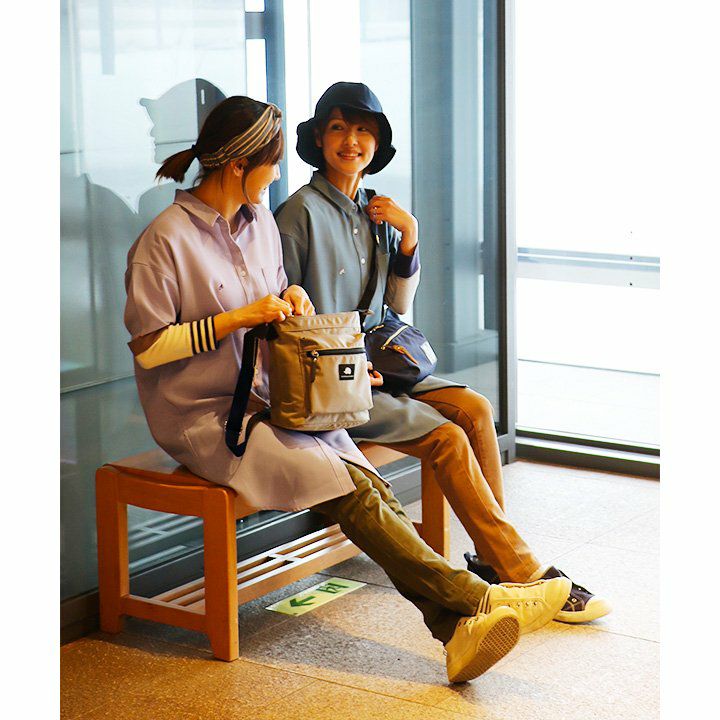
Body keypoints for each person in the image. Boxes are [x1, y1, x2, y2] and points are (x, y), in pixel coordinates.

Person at [123, 94, 573, 684]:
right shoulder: (165, 240)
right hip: (206, 419)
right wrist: (239, 318)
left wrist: (291, 298)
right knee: (352, 487)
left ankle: (459, 626)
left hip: (272, 399)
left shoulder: (259, 225)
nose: (277, 174)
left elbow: (286, 297)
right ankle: (481, 598)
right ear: (238, 165)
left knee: (367, 482)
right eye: (272, 163)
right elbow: (150, 348)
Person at [274, 81, 611, 624]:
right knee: (447, 437)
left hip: (379, 367)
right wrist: (351, 367)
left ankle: (495, 561)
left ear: (378, 142)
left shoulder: (374, 210)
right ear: (318, 138)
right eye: (338, 128)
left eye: (363, 130)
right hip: (330, 384)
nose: (351, 141)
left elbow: (397, 306)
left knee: (474, 408)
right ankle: (523, 572)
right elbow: (286, 323)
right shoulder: (298, 213)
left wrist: (409, 236)